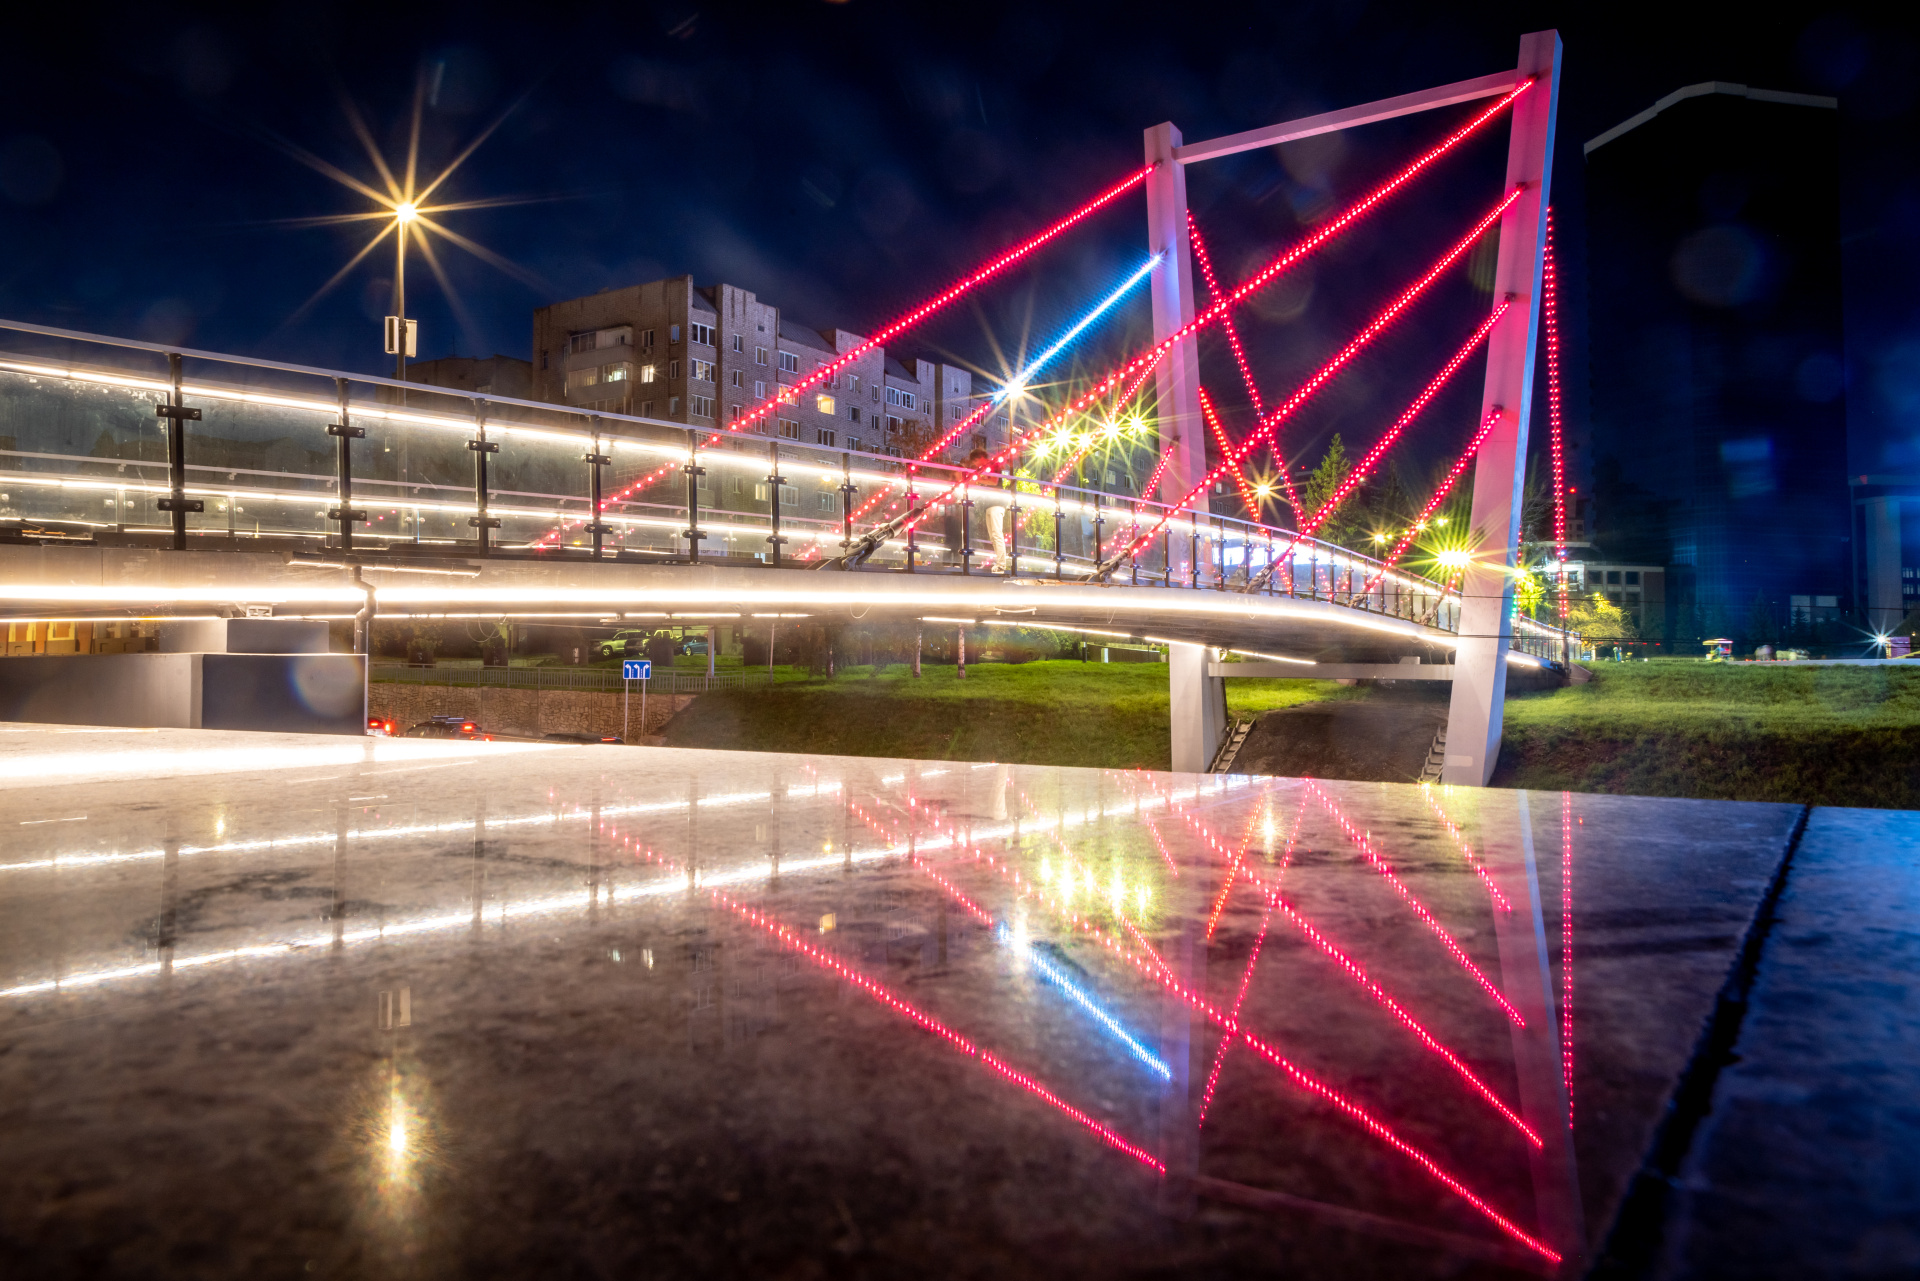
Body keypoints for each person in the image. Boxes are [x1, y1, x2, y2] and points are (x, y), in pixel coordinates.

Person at [966, 442, 1011, 571]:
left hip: (997, 503)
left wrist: (977, 480)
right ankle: (1000, 563)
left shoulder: (993, 464)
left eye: (975, 462)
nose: (976, 465)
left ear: (980, 457)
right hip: (990, 504)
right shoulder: (986, 468)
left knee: (996, 534)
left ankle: (1001, 564)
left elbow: (994, 481)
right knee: (993, 535)